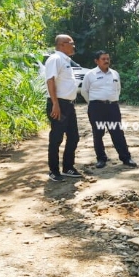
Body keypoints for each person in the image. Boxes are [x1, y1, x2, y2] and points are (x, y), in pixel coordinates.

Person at [80, 50, 137, 169]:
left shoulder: (115, 74)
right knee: (98, 133)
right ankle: (101, 158)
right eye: (103, 59)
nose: (106, 61)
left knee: (117, 133)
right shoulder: (90, 75)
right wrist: (94, 103)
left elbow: (118, 89)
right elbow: (84, 91)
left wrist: (112, 100)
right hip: (96, 107)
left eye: (108, 59)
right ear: (96, 61)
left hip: (113, 107)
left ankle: (126, 158)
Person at [44, 34, 82, 181]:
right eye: (71, 43)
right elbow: (50, 80)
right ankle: (54, 171)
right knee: (56, 138)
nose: (73, 46)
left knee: (74, 137)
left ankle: (68, 167)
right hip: (59, 104)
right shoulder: (55, 59)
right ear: (62, 44)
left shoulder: (65, 61)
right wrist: (55, 104)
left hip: (68, 105)